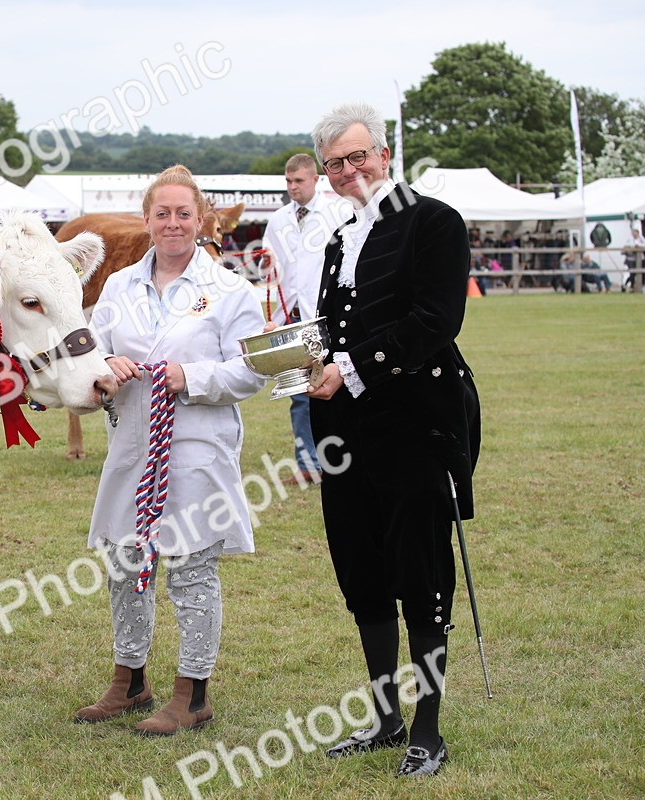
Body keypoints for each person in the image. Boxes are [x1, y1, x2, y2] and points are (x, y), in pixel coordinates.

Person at [306, 102, 481, 777]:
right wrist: (300, 358)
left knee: (421, 574)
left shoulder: (433, 221)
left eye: (358, 156)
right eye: (334, 164)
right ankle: (385, 719)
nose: (348, 171)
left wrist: (349, 368)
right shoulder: (338, 239)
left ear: (384, 155)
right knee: (364, 572)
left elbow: (436, 319)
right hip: (346, 430)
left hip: (415, 424)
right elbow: (333, 328)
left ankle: (427, 732)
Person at [75, 165, 267, 736]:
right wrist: (106, 365)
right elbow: (93, 351)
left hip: (197, 449)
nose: (174, 223)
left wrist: (191, 376)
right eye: (163, 213)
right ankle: (130, 679)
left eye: (184, 213)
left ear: (201, 219)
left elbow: (251, 371)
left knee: (190, 569)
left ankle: (193, 692)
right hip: (132, 446)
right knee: (125, 563)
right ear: (147, 219)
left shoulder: (231, 290)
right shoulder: (117, 287)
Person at [260, 153, 335, 485]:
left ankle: (341, 457)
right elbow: (269, 261)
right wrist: (264, 263)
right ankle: (308, 464)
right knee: (300, 393)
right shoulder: (278, 219)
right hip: (292, 315)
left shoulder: (337, 212)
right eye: (288, 181)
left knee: (335, 385)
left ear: (315, 179)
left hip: (326, 314)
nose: (292, 187)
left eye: (299, 181)